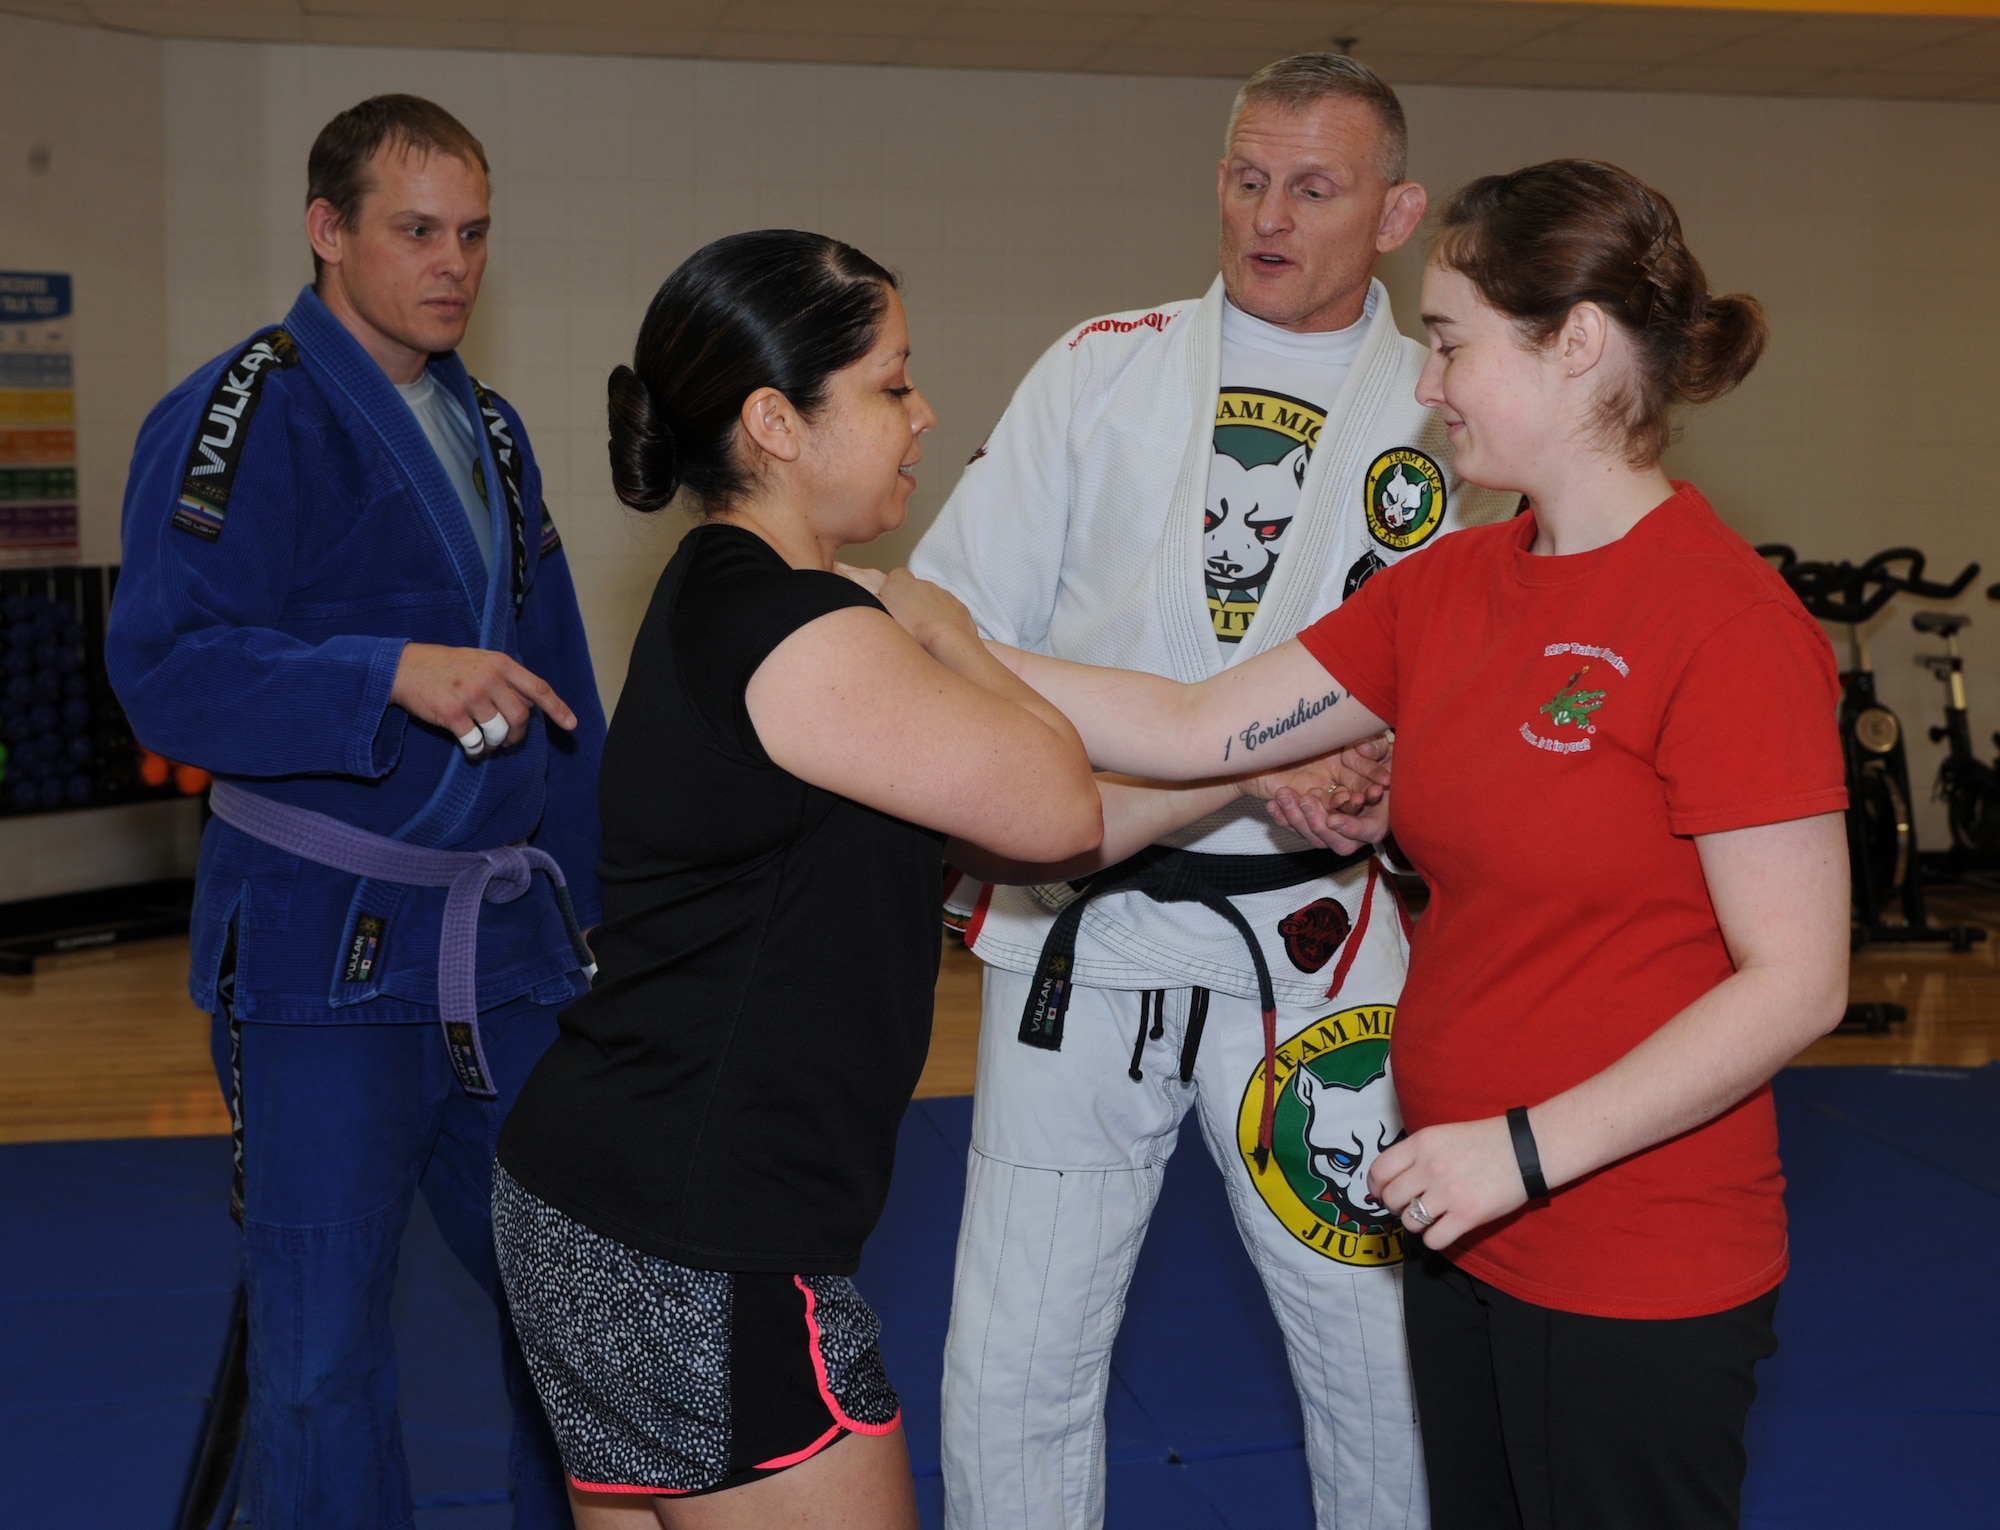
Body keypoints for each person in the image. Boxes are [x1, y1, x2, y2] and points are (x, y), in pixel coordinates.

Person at [883, 159, 1849, 1530]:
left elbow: (1798, 978)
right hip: (1464, 1223)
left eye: (1451, 344)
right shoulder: (1451, 582)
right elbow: (1194, 721)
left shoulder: (1726, 623)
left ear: (1575, 346)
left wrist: (1523, 1150)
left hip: (1628, 1242)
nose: (1429, 383)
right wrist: (917, 627)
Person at [488, 229, 1365, 1530]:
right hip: (702, 1233)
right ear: (777, 422)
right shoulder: (815, 631)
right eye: (893, 384)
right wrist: (957, 631)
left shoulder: (744, 592)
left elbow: (1066, 786)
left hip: (598, 1198)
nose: (925, 412)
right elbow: (1057, 801)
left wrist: (1254, 770)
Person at [908, 52, 1515, 1529]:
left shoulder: (1455, 416)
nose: (1268, 213)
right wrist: (1211, 762)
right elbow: (945, 629)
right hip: (1086, 924)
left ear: (1397, 211)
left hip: (1327, 951)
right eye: (1246, 177)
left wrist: (1392, 773)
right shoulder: (1103, 365)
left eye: (1314, 186)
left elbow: (1498, 678)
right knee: (1017, 1355)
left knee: (1375, 1350)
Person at [107, 96, 600, 1528]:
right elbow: (167, 675)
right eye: (417, 230)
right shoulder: (241, 410)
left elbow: (564, 693)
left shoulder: (491, 429)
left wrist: (602, 916)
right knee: (320, 1357)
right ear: (328, 233)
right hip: (326, 958)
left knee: (574, 1319)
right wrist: (382, 669)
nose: (455, 263)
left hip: (504, 960)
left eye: (475, 233)